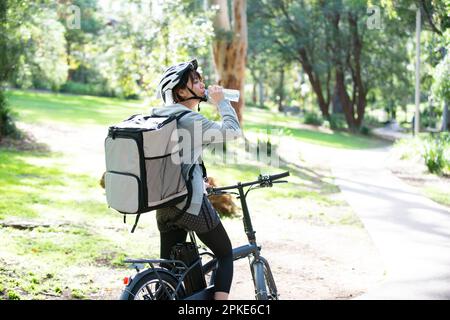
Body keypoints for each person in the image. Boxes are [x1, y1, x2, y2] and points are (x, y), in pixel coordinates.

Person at [151, 59, 241, 300]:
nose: (202, 84)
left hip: (164, 204)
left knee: (169, 274)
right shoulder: (190, 119)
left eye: (201, 79)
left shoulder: (159, 116)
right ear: (180, 90)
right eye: (196, 81)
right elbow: (232, 131)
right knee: (224, 254)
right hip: (189, 204)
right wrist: (223, 103)